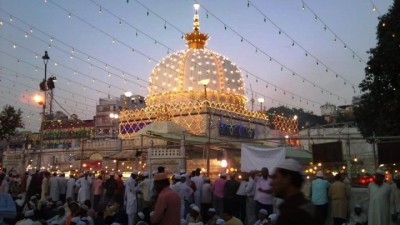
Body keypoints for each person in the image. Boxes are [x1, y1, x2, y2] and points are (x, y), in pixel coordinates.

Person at [270, 158, 318, 225]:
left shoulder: (289, 215)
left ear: (287, 179)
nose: (271, 183)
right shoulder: (309, 207)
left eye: (275, 177)